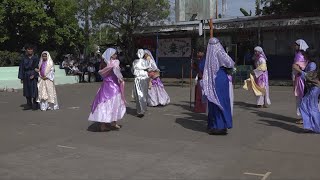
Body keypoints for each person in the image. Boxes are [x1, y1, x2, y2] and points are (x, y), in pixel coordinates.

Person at [202, 19, 235, 135]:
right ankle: (221, 125)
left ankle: (215, 125)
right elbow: (230, 63)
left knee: (213, 102)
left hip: (212, 80)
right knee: (221, 101)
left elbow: (204, 69)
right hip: (221, 78)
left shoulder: (209, 55)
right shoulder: (220, 52)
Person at [88, 48, 126, 131]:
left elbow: (101, 73)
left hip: (105, 85)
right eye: (114, 54)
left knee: (104, 103)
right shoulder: (114, 63)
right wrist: (121, 79)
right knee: (114, 103)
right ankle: (113, 122)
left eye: (116, 54)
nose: (116, 55)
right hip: (113, 85)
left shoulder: (104, 63)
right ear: (110, 55)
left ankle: (104, 124)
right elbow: (117, 73)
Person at [295, 49, 320, 133]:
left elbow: (310, 77)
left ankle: (315, 127)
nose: (304, 56)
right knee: (306, 105)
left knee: (310, 106)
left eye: (305, 54)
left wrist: (298, 70)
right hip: (312, 88)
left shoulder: (312, 64)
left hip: (314, 88)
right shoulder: (312, 63)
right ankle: (310, 126)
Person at [18, 44, 40, 110]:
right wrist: (21, 77)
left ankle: (35, 104)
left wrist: (35, 74)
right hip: (26, 75)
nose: (30, 50)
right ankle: (29, 104)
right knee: (27, 90)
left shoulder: (36, 58)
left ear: (33, 50)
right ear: (26, 50)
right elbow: (21, 68)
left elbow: (39, 68)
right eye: (28, 49)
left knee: (34, 90)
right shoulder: (23, 58)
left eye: (31, 49)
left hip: (33, 75)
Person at [292, 39, 309, 124]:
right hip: (302, 78)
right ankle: (304, 117)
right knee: (302, 97)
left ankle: (303, 118)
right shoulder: (304, 54)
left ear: (300, 46)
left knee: (300, 97)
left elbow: (297, 67)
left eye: (296, 45)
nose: (294, 46)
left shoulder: (299, 55)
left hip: (300, 79)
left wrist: (297, 70)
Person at [132, 49, 151, 117]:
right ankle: (143, 108)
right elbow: (149, 68)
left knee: (139, 94)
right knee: (144, 93)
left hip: (138, 78)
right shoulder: (146, 61)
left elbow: (132, 70)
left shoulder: (135, 61)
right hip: (145, 78)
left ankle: (140, 110)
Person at [193, 46, 207, 113]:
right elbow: (196, 68)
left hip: (203, 78)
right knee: (197, 93)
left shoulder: (204, 60)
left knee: (201, 93)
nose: (197, 53)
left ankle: (201, 108)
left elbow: (201, 68)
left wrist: (196, 63)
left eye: (199, 52)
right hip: (199, 77)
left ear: (202, 53)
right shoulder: (199, 59)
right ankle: (197, 106)